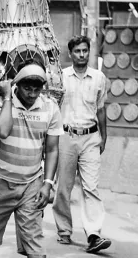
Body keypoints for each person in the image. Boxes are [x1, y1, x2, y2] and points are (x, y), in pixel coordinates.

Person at [0, 60, 64, 258]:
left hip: (31, 184)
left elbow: (52, 149)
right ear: (16, 84)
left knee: (34, 242)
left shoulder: (50, 107)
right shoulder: (0, 103)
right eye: (27, 88)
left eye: (36, 89)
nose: (32, 94)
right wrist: (7, 98)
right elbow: (2, 130)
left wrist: (47, 184)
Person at [52, 35, 111, 253]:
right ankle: (64, 230)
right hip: (66, 137)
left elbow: (102, 109)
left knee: (91, 187)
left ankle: (94, 234)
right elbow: (53, 108)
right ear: (70, 53)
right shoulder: (60, 78)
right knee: (63, 188)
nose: (82, 55)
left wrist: (104, 137)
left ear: (89, 52)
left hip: (90, 138)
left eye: (85, 51)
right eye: (77, 51)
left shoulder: (98, 78)